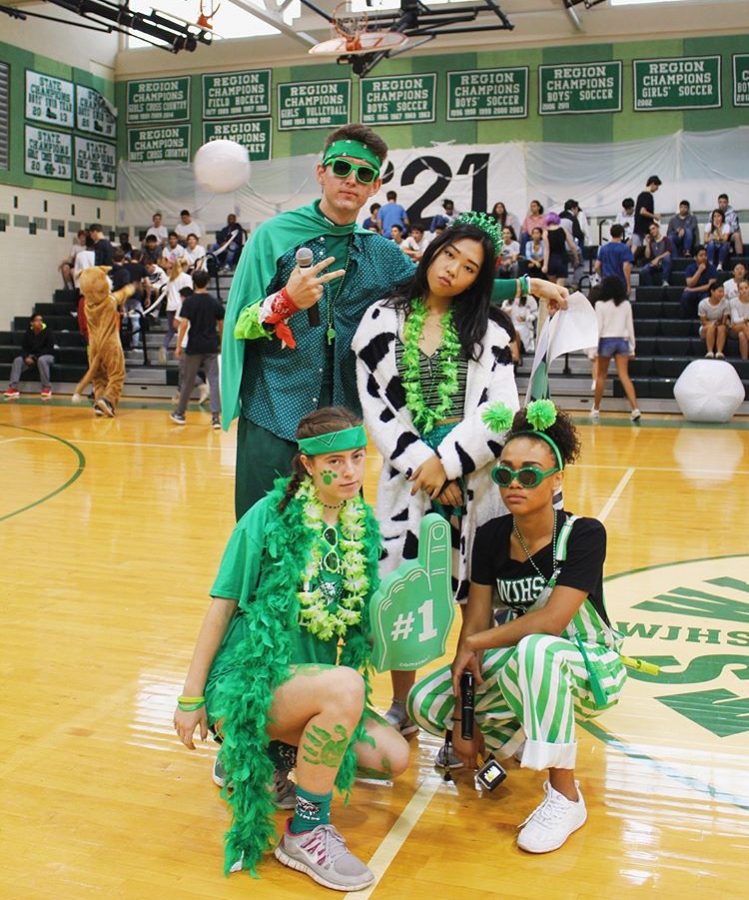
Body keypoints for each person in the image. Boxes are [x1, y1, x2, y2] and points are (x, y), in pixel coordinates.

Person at [223, 123, 570, 521]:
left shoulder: (380, 254)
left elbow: (445, 281)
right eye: (341, 169)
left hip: (342, 422)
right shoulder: (273, 237)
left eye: (364, 174)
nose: (351, 180)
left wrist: (526, 285)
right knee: (263, 534)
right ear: (321, 172)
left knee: (340, 538)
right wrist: (285, 301)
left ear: (375, 187)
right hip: (273, 413)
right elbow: (241, 323)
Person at [173, 407, 409, 890]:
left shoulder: (358, 524)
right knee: (346, 687)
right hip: (247, 682)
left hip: (308, 687)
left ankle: (280, 758)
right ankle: (305, 829)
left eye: (357, 458)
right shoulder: (267, 517)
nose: (348, 472)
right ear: (306, 464)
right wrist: (190, 697)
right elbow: (220, 608)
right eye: (334, 461)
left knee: (393, 758)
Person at [408, 401, 626, 854]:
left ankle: (565, 795)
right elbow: (477, 623)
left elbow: (551, 622)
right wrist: (464, 717)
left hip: (590, 664)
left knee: (536, 649)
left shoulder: (585, 535)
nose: (513, 485)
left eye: (529, 474)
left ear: (557, 478)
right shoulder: (490, 536)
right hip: (525, 664)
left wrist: (475, 642)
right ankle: (508, 746)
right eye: (504, 474)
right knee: (424, 701)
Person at [353, 213, 521, 740]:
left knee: (479, 595)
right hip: (407, 484)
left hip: (476, 485)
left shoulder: (490, 332)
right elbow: (376, 407)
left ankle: (466, 705)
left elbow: (501, 410)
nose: (453, 270)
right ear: (432, 251)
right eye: (449, 255)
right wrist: (420, 465)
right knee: (404, 589)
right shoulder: (382, 318)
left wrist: (447, 464)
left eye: (469, 267)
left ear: (479, 279)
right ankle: (402, 704)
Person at [170, 269, 223, 428]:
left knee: (188, 381)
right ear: (207, 282)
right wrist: (221, 341)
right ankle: (215, 419)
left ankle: (180, 413)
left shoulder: (189, 302)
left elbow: (184, 324)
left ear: (194, 282)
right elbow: (221, 323)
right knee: (213, 381)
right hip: (211, 346)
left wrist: (178, 346)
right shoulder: (214, 302)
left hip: (193, 346)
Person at [591, 276, 640, 422]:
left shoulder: (599, 304)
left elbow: (598, 328)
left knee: (601, 376)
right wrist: (633, 347)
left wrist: (593, 348)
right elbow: (630, 327)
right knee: (624, 376)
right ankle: (635, 409)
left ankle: (596, 409)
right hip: (622, 341)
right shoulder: (625, 304)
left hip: (605, 341)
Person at [3, 313, 56, 400]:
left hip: (47, 356)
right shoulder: (28, 332)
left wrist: (34, 358)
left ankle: (46, 387)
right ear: (32, 323)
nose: (39, 322)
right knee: (18, 360)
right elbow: (24, 348)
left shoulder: (48, 332)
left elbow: (49, 349)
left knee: (41, 360)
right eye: (37, 320)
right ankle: (13, 388)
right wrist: (25, 357)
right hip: (32, 356)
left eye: (41, 320)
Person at [159, 258, 192, 363]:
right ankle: (181, 350)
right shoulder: (186, 277)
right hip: (181, 306)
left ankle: (164, 346)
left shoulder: (171, 278)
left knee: (171, 330)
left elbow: (167, 292)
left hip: (170, 306)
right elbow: (188, 292)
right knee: (184, 328)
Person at [680, 246, 718, 319]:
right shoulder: (690, 268)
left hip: (706, 292)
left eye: (705, 255)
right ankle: (686, 319)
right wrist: (699, 271)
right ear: (695, 257)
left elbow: (710, 286)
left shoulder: (712, 268)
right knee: (685, 296)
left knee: (706, 298)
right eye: (701, 255)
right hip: (693, 291)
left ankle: (703, 319)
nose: (704, 257)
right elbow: (690, 284)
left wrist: (691, 290)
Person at [594, 224, 634, 294]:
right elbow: (626, 267)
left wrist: (602, 276)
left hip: (606, 283)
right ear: (621, 234)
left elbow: (596, 266)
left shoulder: (603, 248)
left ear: (611, 233)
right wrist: (628, 285)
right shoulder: (624, 248)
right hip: (619, 283)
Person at [542, 212, 578, 287]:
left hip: (551, 260)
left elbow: (547, 249)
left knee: (552, 287)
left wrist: (545, 265)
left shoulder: (545, 232)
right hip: (562, 259)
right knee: (560, 287)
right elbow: (572, 246)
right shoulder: (563, 230)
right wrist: (576, 258)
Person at [698, 282, 729, 359]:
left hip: (719, 326)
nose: (722, 294)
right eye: (719, 291)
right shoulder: (703, 304)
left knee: (722, 327)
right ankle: (710, 352)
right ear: (712, 291)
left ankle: (719, 352)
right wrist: (713, 323)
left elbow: (723, 322)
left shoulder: (726, 303)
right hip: (706, 327)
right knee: (711, 327)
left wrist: (718, 324)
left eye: (723, 291)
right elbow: (703, 322)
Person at [633, 175, 662, 255]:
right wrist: (654, 216)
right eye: (657, 186)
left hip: (638, 224)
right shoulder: (648, 196)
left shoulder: (641, 195)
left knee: (634, 246)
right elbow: (642, 211)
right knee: (650, 244)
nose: (657, 188)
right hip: (645, 225)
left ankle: (626, 263)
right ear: (652, 184)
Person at [640, 221, 672, 286]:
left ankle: (664, 281)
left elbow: (669, 252)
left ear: (657, 228)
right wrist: (648, 243)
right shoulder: (651, 242)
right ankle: (651, 288)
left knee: (667, 257)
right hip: (654, 264)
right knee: (643, 270)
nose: (652, 231)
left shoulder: (666, 239)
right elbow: (647, 256)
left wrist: (658, 258)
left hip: (663, 262)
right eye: (650, 230)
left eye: (653, 228)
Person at [728, 279, 749, 361]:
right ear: (738, 290)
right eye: (741, 288)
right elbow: (735, 320)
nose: (744, 290)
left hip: (746, 329)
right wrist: (746, 319)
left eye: (746, 288)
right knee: (743, 327)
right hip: (734, 329)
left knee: (742, 335)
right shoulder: (733, 302)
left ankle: (744, 360)